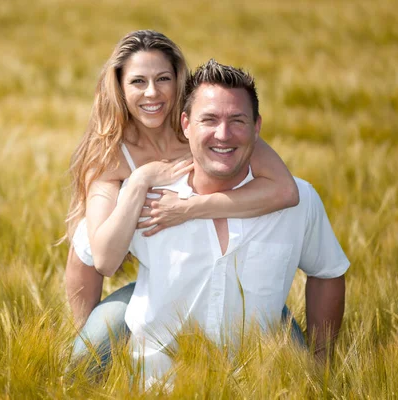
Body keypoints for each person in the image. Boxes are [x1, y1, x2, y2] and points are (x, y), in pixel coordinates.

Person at [88, 59, 349, 387]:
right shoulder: (145, 198)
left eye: (237, 120)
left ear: (257, 127)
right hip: (156, 387)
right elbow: (93, 258)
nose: (223, 134)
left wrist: (321, 365)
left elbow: (327, 273)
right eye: (208, 119)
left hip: (260, 387)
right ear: (185, 124)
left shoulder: (300, 201)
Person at [65, 30, 302, 370]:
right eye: (137, 81)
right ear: (118, 87)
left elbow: (285, 190)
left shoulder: (205, 128)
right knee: (84, 361)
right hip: (157, 280)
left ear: (179, 80)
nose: (152, 93)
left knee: (301, 368)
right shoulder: (110, 157)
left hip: (228, 279)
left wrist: (190, 209)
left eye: (163, 78)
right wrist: (141, 181)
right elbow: (100, 259)